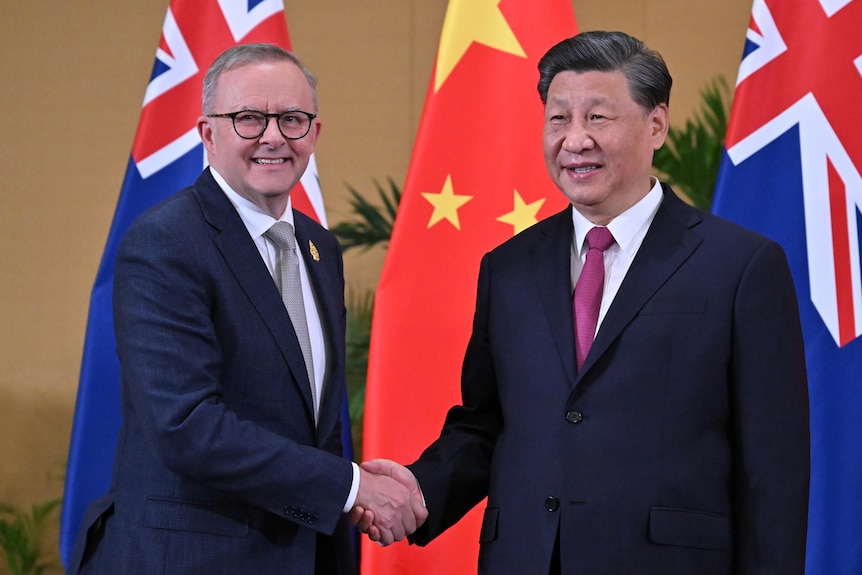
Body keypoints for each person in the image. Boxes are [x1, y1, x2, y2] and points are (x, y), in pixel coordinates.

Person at [361, 31, 809, 574]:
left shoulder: (740, 266)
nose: (575, 140)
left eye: (598, 118)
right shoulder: (508, 268)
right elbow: (489, 423)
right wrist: (422, 491)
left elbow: (773, 469)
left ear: (657, 125)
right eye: (558, 119)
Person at [67, 43, 425, 575]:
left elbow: (312, 427)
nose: (274, 136)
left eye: (292, 119)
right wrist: (351, 488)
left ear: (315, 134)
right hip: (185, 559)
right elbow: (186, 425)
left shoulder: (321, 249)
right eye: (249, 118)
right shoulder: (165, 243)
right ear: (208, 134)